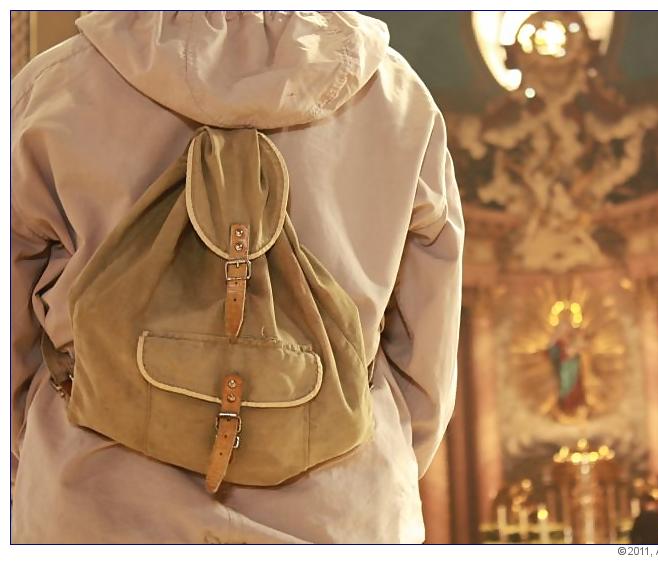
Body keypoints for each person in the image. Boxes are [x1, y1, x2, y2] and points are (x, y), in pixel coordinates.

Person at [11, 11, 464, 543]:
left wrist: (41, 448)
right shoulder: (397, 98)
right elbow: (425, 359)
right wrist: (370, 449)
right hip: (338, 511)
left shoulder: (57, 86)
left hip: (97, 503)